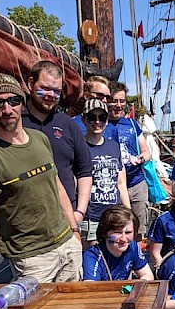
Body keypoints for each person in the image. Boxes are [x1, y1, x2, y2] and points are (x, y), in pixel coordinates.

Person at [0, 74, 83, 290]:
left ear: (22, 104)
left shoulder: (40, 139)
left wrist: (74, 230)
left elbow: (57, 186)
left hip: (68, 246)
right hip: (33, 260)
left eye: (13, 100)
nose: (7, 109)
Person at [23, 61, 92, 226]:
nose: (50, 95)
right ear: (31, 83)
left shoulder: (68, 124)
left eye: (56, 91)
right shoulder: (13, 121)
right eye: (45, 88)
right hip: (24, 222)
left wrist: (79, 212)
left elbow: (85, 171)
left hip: (65, 219)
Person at [81, 99, 130, 249]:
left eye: (101, 118)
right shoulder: (79, 147)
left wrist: (128, 214)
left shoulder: (114, 146)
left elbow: (121, 183)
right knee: (91, 258)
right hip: (91, 217)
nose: (97, 122)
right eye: (92, 117)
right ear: (84, 120)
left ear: (107, 121)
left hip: (114, 216)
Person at [107, 82, 152, 239]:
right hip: (114, 186)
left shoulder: (132, 124)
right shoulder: (100, 124)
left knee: (138, 229)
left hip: (136, 183)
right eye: (114, 101)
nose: (118, 105)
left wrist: (142, 158)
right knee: (117, 230)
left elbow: (146, 151)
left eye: (122, 101)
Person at [82, 205, 154, 281]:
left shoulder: (132, 246)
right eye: (117, 232)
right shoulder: (92, 256)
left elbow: (147, 275)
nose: (123, 239)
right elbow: (90, 288)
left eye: (128, 232)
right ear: (105, 233)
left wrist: (136, 287)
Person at [73, 75, 119, 142]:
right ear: (87, 96)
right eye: (100, 95)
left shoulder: (112, 128)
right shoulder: (72, 125)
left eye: (108, 97)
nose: (105, 100)